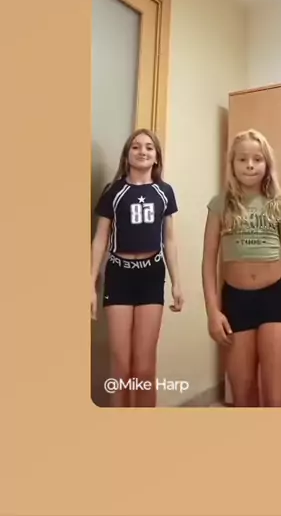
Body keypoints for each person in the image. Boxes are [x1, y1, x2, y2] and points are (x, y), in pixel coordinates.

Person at [202, 129, 281, 407]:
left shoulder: (278, 204)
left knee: (276, 396)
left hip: (273, 298)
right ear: (232, 164)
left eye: (257, 159)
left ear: (267, 164)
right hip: (235, 301)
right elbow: (209, 260)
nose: (250, 165)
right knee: (243, 394)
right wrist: (212, 311)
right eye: (242, 159)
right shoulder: (219, 205)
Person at [90, 128, 183, 407]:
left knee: (144, 367)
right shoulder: (114, 191)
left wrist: (177, 283)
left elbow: (169, 240)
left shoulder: (164, 192)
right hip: (119, 276)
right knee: (121, 365)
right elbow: (100, 239)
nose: (143, 151)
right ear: (127, 155)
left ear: (157, 157)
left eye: (149, 147)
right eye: (136, 146)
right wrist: (89, 284)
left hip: (151, 276)